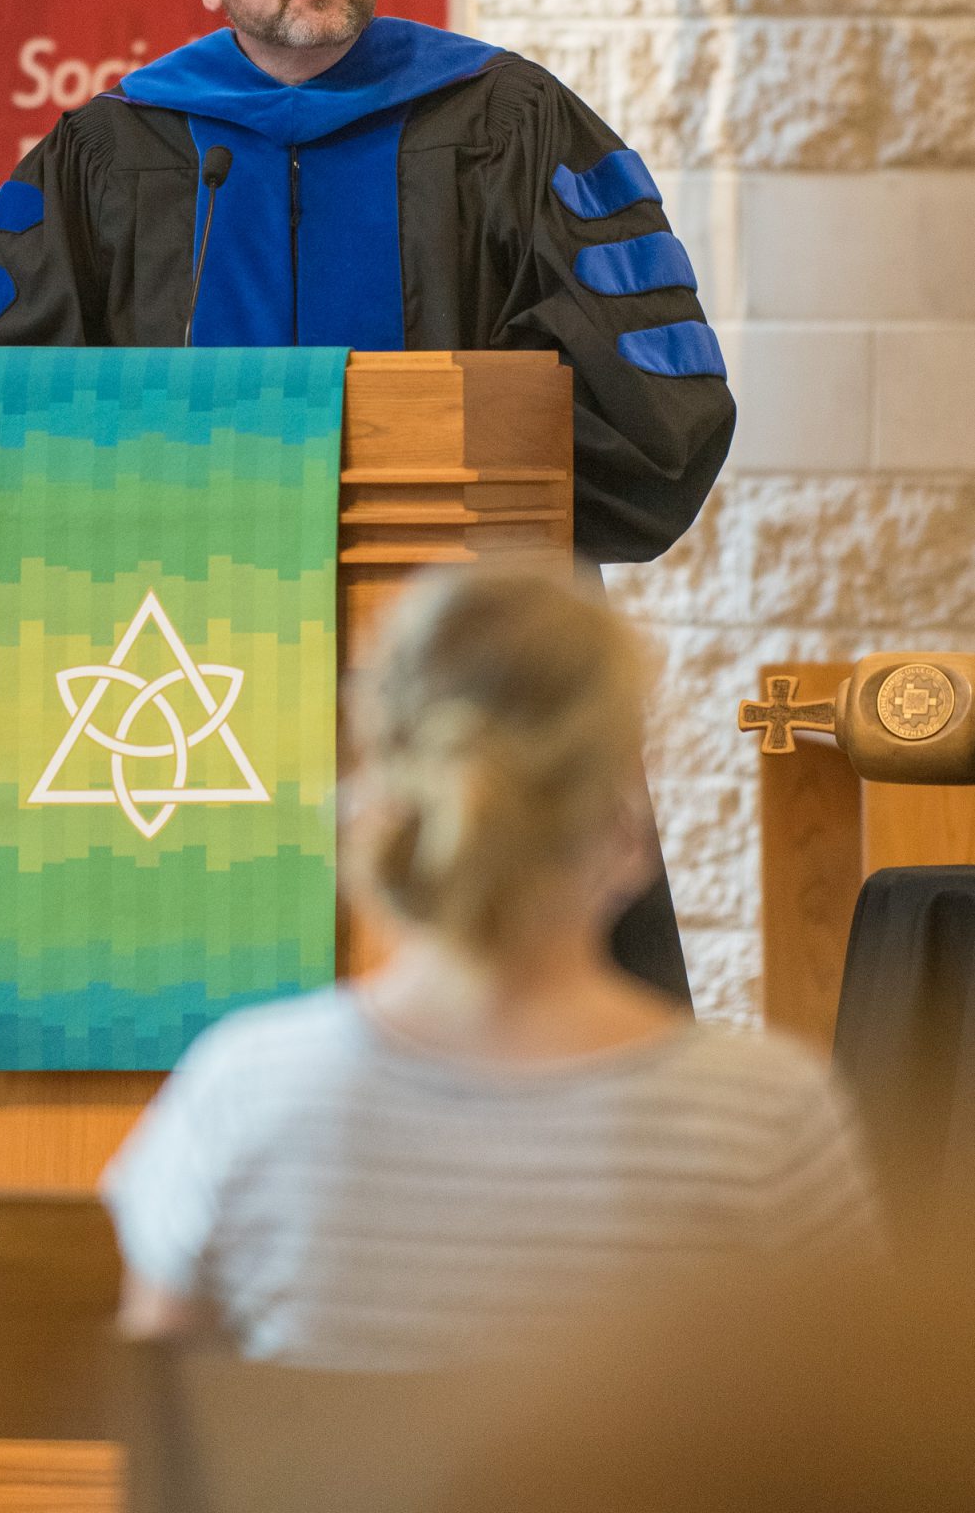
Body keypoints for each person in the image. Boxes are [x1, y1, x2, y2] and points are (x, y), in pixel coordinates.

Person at [0, 0, 736, 998]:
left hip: (463, 670)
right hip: (183, 649)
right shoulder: (110, 151)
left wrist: (478, 491)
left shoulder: (509, 122)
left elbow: (655, 399)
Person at [101, 563, 876, 1370]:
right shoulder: (763, 1120)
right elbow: (851, 1445)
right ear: (621, 810)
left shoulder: (243, 1091)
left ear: (385, 784)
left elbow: (170, 1440)